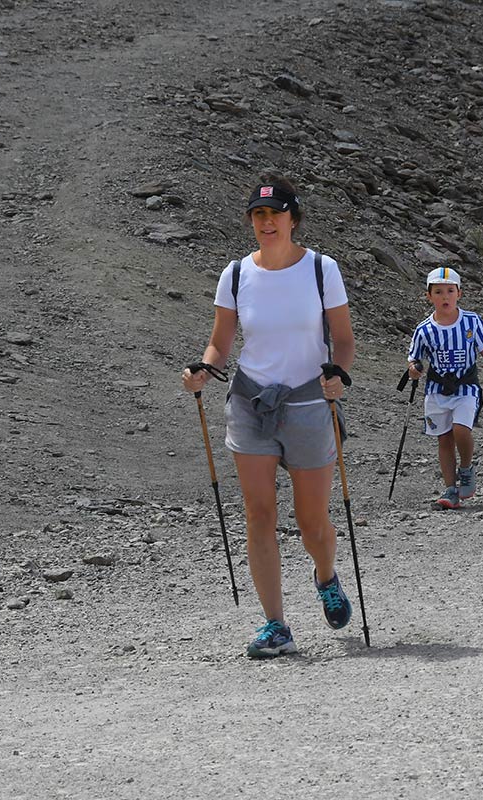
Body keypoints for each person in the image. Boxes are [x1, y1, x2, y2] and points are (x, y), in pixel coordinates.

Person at [181, 174, 356, 659]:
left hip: (308, 403)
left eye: (275, 213)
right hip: (250, 403)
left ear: (292, 218)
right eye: (258, 215)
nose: (267, 222)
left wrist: (339, 374)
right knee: (259, 515)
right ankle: (276, 625)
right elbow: (220, 343)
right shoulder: (237, 274)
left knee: (312, 523)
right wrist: (204, 369)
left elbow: (343, 340)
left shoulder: (321, 269)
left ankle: (326, 576)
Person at [406, 266, 483, 509]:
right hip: (437, 389)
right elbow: (415, 358)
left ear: (459, 293)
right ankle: (450, 490)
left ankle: (466, 469)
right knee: (444, 438)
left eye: (450, 291)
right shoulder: (424, 329)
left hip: (466, 386)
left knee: (461, 428)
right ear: (429, 296)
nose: (445, 297)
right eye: (438, 292)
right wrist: (414, 369)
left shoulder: (472, 321)